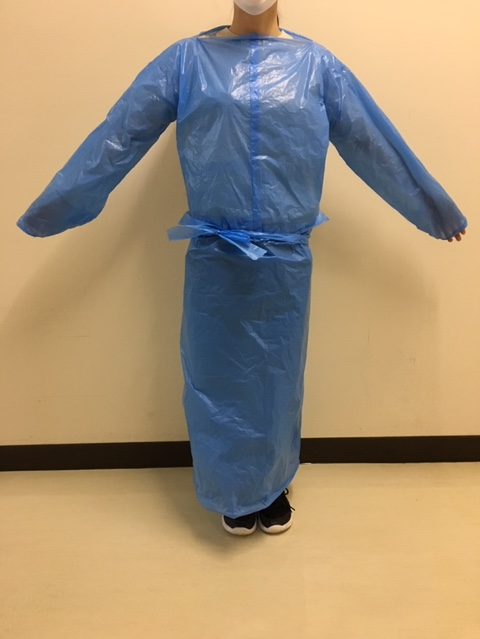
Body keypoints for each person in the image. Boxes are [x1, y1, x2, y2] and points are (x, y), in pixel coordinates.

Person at [17, 1, 468, 536]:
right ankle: (232, 490)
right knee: (217, 378)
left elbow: (373, 144)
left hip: (285, 257)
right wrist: (54, 208)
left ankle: (272, 486)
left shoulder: (317, 66)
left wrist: (434, 210)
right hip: (216, 254)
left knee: (277, 378)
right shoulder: (187, 61)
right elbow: (119, 136)